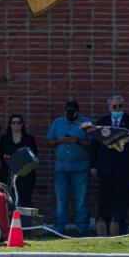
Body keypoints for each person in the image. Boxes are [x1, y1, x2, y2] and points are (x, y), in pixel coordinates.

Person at [90, 94, 129, 235]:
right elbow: (94, 146)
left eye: (120, 106)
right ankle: (104, 223)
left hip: (126, 167)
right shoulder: (102, 122)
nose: (117, 108)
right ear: (109, 108)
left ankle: (119, 224)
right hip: (106, 167)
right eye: (114, 106)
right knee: (105, 196)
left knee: (123, 196)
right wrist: (93, 165)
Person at [46, 100, 92, 234]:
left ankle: (82, 227)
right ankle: (60, 227)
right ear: (64, 111)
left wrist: (77, 141)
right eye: (68, 112)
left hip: (81, 166)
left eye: (73, 112)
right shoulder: (58, 122)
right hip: (61, 167)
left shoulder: (86, 123)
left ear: (78, 112)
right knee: (61, 199)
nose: (70, 114)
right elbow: (49, 142)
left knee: (81, 199)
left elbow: (93, 145)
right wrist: (60, 141)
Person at [0, 114, 38, 207]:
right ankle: (10, 221)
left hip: (26, 174)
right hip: (8, 174)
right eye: (13, 123)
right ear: (10, 125)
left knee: (26, 200)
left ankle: (26, 221)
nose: (16, 125)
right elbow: (1, 155)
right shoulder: (4, 139)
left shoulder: (29, 139)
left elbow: (34, 155)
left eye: (18, 123)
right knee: (9, 200)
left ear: (22, 125)